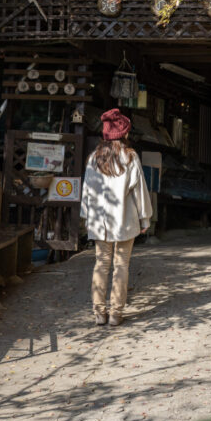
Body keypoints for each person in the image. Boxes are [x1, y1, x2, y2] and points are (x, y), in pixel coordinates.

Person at [80, 108, 153, 327]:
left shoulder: (94, 158)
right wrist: (145, 218)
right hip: (125, 219)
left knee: (101, 263)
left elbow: (87, 191)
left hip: (100, 220)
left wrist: (86, 216)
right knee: (121, 265)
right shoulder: (130, 156)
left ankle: (99, 313)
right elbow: (139, 189)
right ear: (124, 134)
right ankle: (116, 314)